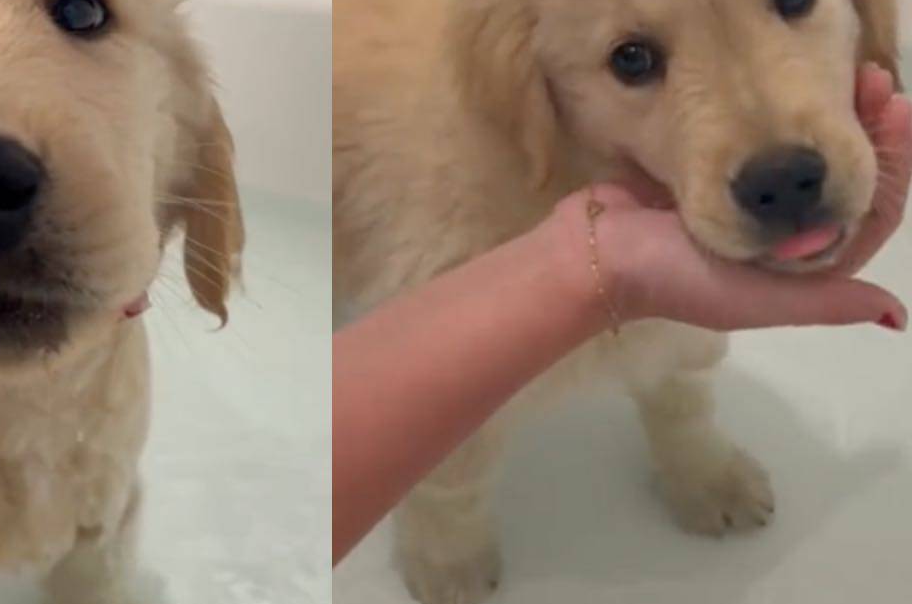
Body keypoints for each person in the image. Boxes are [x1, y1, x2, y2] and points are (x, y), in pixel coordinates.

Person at [333, 64, 912, 564]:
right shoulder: (461, 216)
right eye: (634, 59)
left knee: (686, 349)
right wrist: (445, 539)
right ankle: (441, 535)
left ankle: (688, 449)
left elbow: (689, 344)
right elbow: (451, 420)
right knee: (467, 438)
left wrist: (691, 450)